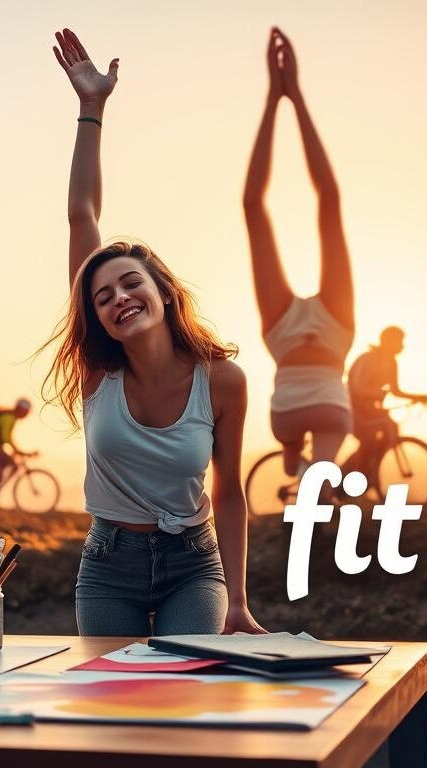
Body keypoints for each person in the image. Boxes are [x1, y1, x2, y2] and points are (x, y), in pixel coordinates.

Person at [46, 28, 266, 637]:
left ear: (163, 291)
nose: (119, 298)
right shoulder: (98, 372)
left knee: (186, 693)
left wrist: (239, 602)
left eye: (131, 284)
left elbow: (229, 493)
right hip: (108, 566)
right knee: (109, 709)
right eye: (103, 296)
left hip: (193, 565)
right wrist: (91, 110)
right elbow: (81, 215)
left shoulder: (222, 380)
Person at [243, 28, 355, 479]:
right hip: (331, 404)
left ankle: (292, 460)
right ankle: (317, 490)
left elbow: (252, 204)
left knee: (294, 463)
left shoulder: (277, 321)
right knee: (323, 471)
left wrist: (274, 101)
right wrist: (297, 98)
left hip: (286, 410)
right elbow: (329, 197)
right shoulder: (341, 320)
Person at [345, 327, 427, 484]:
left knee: (391, 430)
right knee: (368, 440)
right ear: (387, 341)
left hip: (369, 409)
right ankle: (354, 478)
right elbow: (356, 387)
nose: (402, 345)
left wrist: (417, 397)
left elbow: (395, 391)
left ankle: (370, 471)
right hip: (351, 406)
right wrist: (377, 394)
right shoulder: (368, 359)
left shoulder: (392, 362)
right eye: (399, 341)